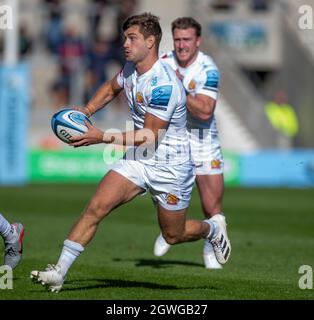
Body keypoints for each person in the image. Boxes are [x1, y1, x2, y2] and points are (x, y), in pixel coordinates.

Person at [30, 13, 231, 292]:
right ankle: (59, 271)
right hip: (139, 160)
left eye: (132, 38)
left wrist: (100, 136)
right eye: (125, 37)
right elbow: (112, 87)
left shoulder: (164, 85)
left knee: (173, 234)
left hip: (170, 167)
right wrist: (86, 111)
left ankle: (212, 229)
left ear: (151, 42)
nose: (125, 43)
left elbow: (149, 134)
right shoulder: (130, 69)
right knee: (95, 209)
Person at [154, 17, 229, 269]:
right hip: (174, 141)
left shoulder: (208, 69)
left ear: (198, 41)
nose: (181, 45)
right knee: (157, 190)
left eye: (187, 39)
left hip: (204, 141)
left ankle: (210, 246)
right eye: (177, 39)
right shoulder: (162, 62)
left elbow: (205, 111)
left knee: (211, 206)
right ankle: (168, 229)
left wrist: (177, 86)